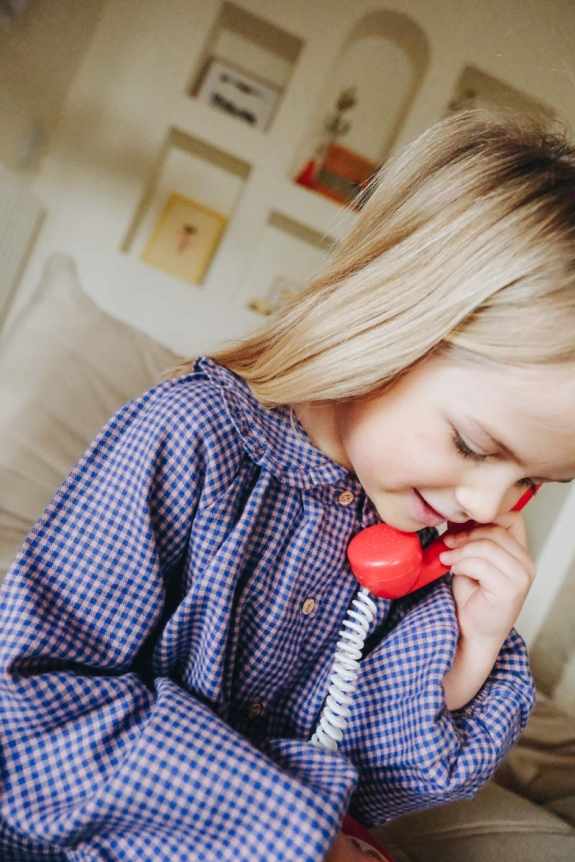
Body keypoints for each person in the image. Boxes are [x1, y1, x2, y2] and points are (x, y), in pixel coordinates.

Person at [1, 109, 574, 862]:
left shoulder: (420, 529)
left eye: (532, 481)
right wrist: (288, 831)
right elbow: (29, 706)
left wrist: (474, 648)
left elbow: (373, 781)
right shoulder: (193, 433)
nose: (487, 505)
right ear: (385, 319)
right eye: (471, 445)